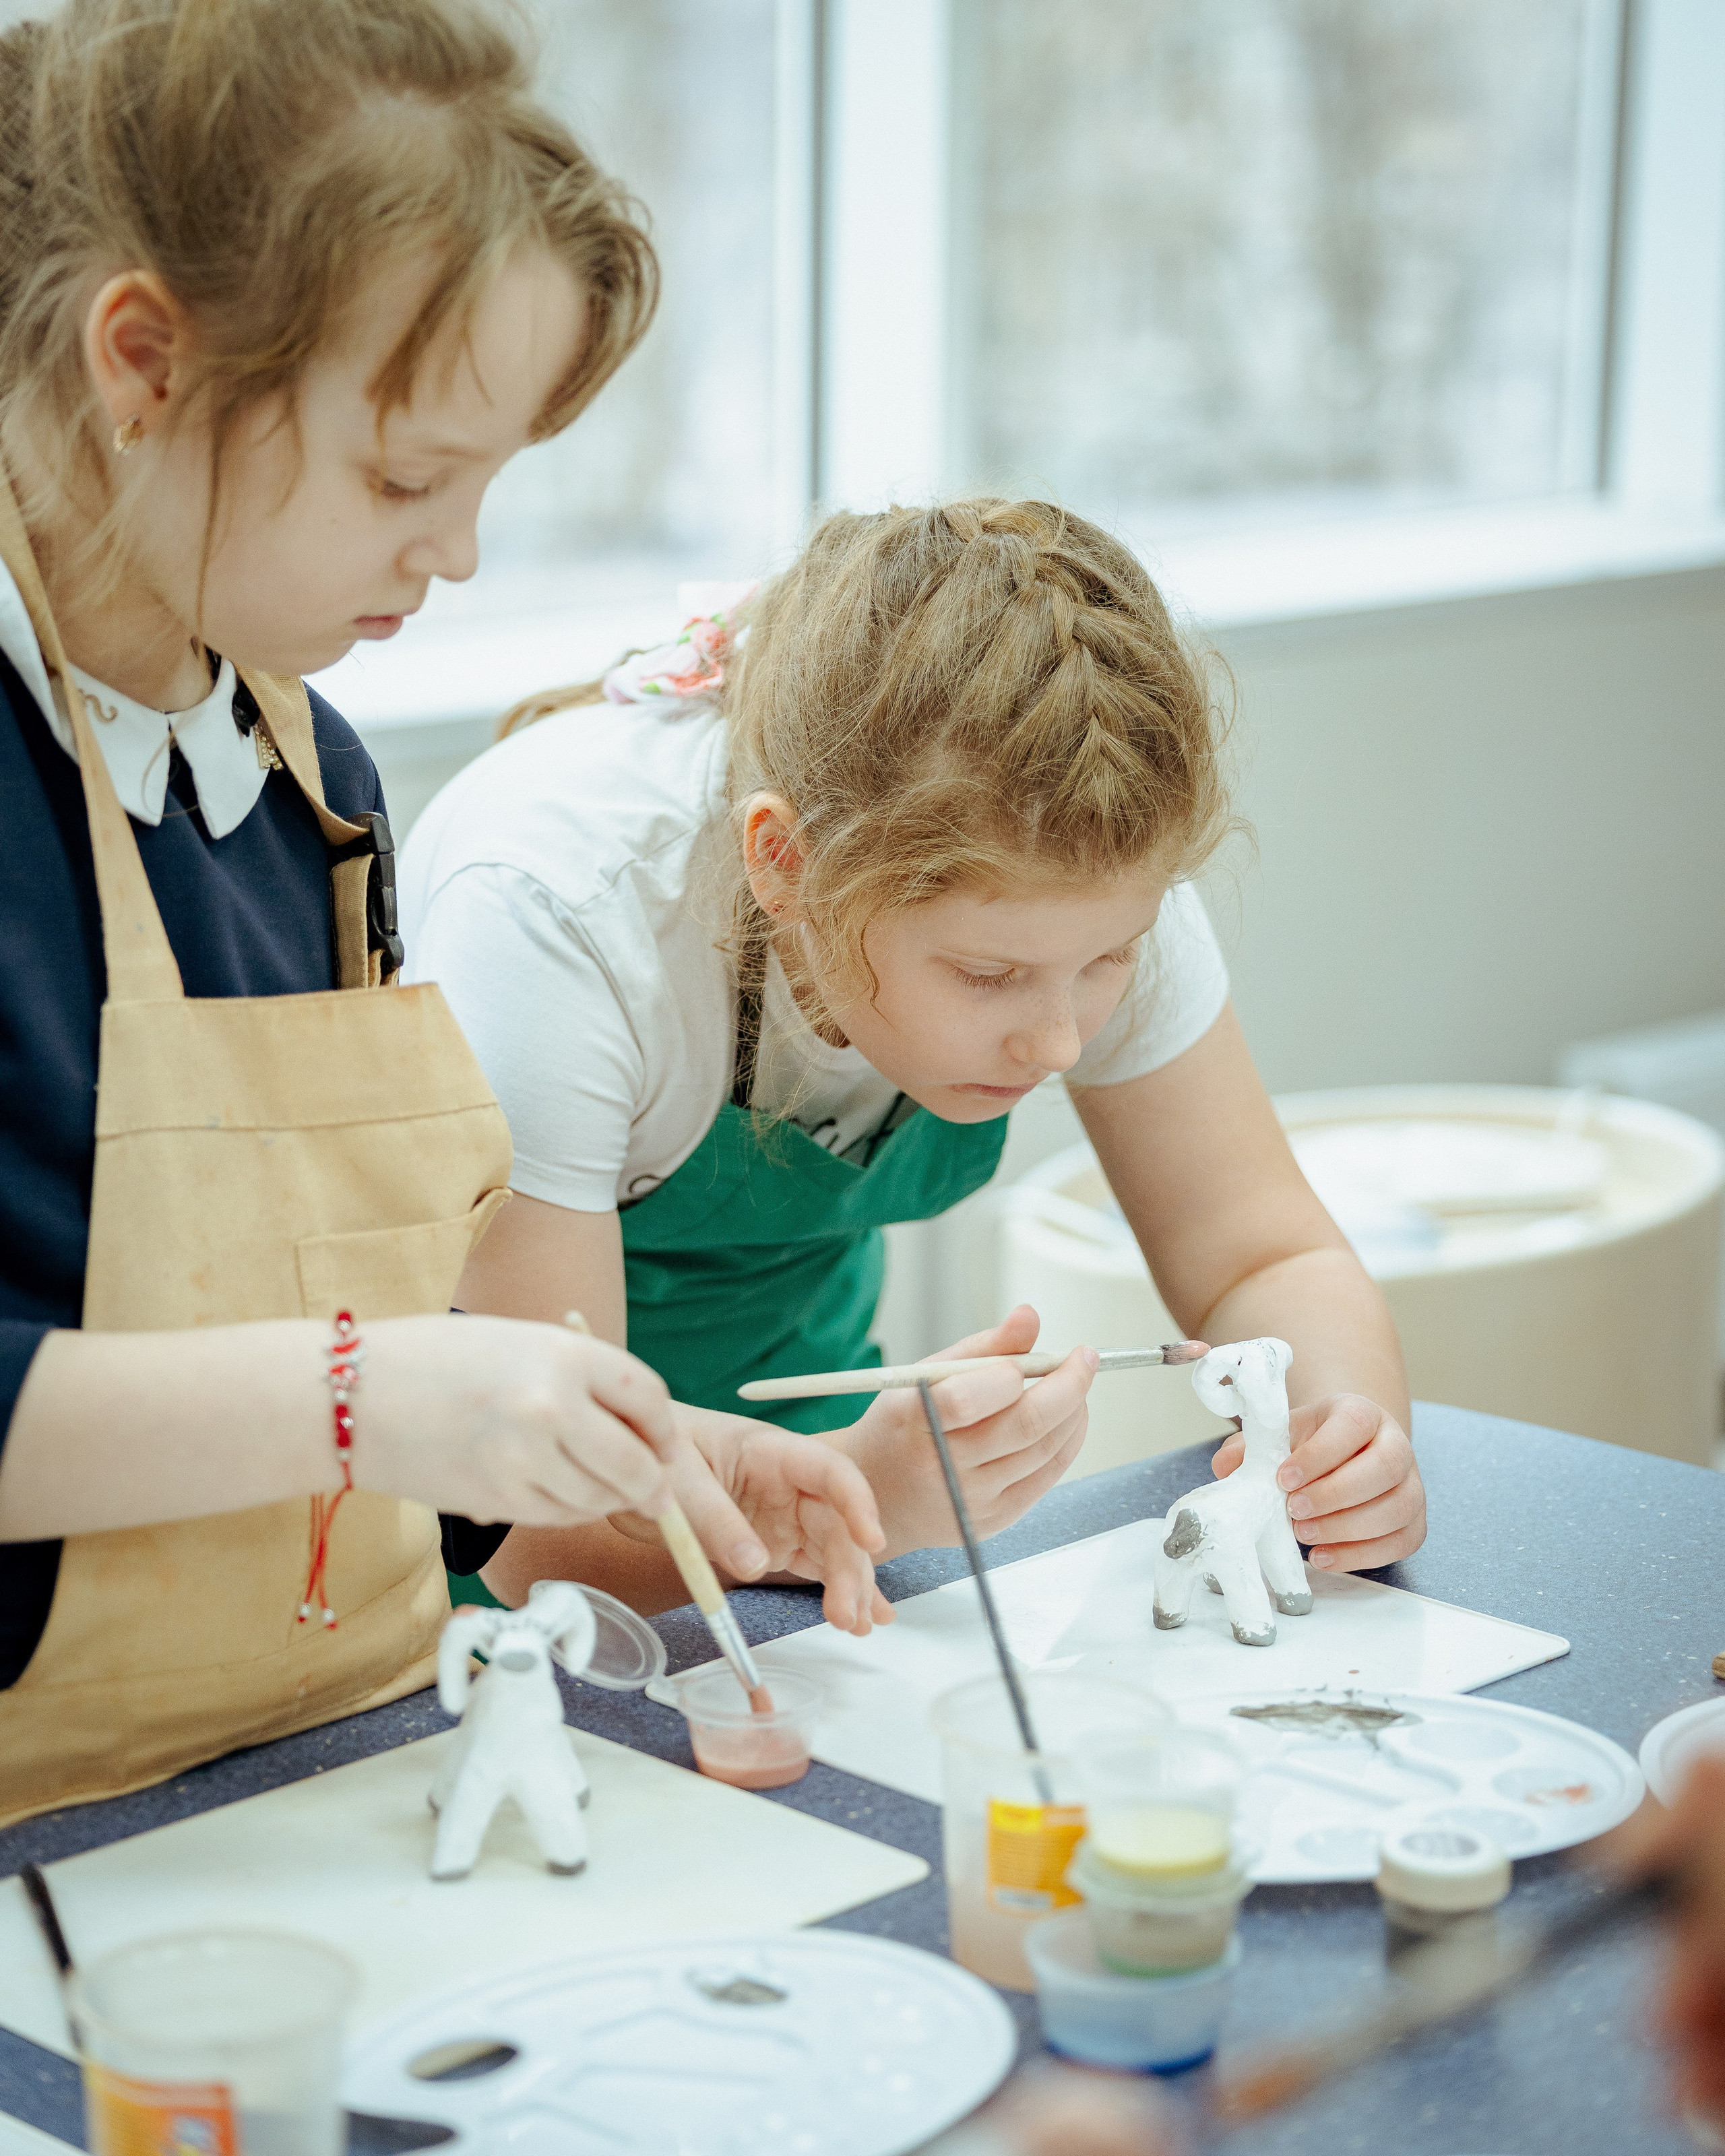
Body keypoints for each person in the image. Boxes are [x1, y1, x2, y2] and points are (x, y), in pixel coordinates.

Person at [0, 0, 883, 1831]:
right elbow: (327, 1382)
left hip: (319, 1768)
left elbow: (343, 1349)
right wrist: (369, 1395)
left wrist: (599, 1458)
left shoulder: (307, 779)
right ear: (143, 363)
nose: (457, 552)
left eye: (489, 482)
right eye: (408, 479)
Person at [398, 499, 1427, 1613]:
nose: (1061, 1036)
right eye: (985, 978)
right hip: (488, 1547)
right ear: (786, 865)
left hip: (806, 1501)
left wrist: (1343, 1441)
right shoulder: (556, 918)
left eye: (1112, 960)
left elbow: (1258, 1258)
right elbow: (537, 1534)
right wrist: (869, 1489)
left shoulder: (1081, 881)